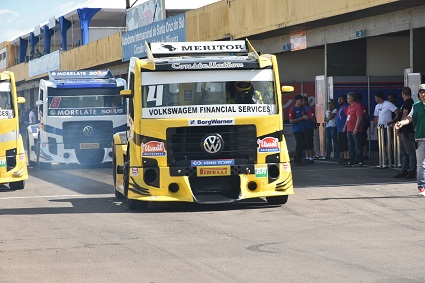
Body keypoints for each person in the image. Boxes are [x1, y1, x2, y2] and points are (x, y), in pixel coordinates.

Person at [395, 84, 425, 196]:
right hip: (420, 138)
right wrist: (401, 123)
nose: (423, 94)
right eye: (421, 92)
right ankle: (422, 187)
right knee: (421, 164)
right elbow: (409, 118)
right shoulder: (416, 106)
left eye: (424, 92)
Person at [394, 87, 416, 179]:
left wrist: (400, 125)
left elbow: (405, 115)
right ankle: (405, 169)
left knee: (409, 151)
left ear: (403, 93)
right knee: (404, 151)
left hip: (406, 130)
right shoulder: (409, 102)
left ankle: (411, 170)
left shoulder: (408, 102)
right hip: (406, 130)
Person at [372, 91, 399, 165]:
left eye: (375, 98)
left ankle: (389, 158)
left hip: (387, 127)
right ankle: (383, 158)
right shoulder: (377, 106)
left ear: (379, 98)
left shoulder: (388, 104)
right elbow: (376, 117)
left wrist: (394, 120)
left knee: (388, 143)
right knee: (381, 143)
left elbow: (397, 111)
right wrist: (373, 127)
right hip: (379, 127)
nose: (375, 99)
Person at [343, 92, 363, 167]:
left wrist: (356, 128)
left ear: (351, 98)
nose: (347, 99)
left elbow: (359, 117)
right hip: (349, 129)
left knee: (358, 145)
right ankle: (351, 160)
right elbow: (347, 118)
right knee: (350, 145)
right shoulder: (349, 107)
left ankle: (359, 160)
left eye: (348, 98)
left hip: (355, 129)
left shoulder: (357, 106)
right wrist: (345, 126)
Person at [289, 94, 308, 166]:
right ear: (297, 100)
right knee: (299, 144)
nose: (302, 102)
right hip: (297, 129)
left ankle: (298, 159)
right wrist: (301, 118)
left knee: (302, 145)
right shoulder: (292, 109)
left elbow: (305, 116)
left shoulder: (302, 109)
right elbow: (291, 121)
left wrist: (306, 118)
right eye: (300, 100)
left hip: (303, 128)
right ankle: (297, 161)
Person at [336, 94, 349, 165]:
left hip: (344, 129)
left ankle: (348, 158)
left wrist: (345, 126)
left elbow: (348, 117)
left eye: (341, 99)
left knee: (345, 143)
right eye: (338, 99)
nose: (339, 101)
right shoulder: (341, 108)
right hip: (339, 129)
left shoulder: (346, 107)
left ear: (344, 100)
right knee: (342, 144)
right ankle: (345, 157)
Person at [357, 93, 371, 160]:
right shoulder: (355, 106)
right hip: (359, 125)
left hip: (363, 125)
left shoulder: (362, 107)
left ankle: (365, 154)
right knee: (359, 140)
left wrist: (365, 114)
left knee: (363, 140)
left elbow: (367, 117)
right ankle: (360, 153)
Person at [303, 96, 316, 164]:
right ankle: (307, 157)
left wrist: (314, 124)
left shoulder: (309, 109)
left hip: (309, 128)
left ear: (306, 101)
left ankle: (311, 157)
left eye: (303, 101)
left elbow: (313, 117)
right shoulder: (303, 109)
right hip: (304, 128)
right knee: (305, 143)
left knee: (309, 142)